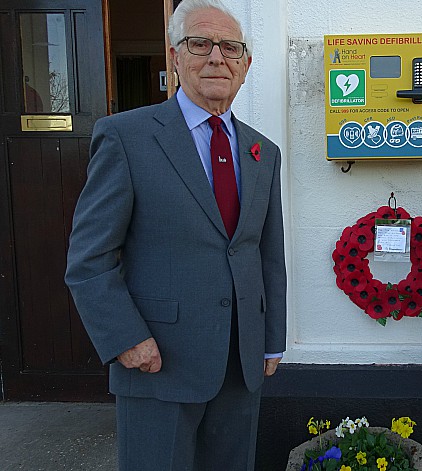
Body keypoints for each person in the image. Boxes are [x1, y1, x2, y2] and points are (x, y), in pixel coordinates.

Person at [65, 0, 286, 469]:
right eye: (199, 43)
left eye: (230, 47)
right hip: (156, 363)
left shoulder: (262, 151)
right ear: (174, 56)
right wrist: (125, 338)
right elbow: (89, 259)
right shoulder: (126, 137)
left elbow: (267, 254)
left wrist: (272, 339)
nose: (216, 57)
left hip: (240, 365)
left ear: (246, 64)